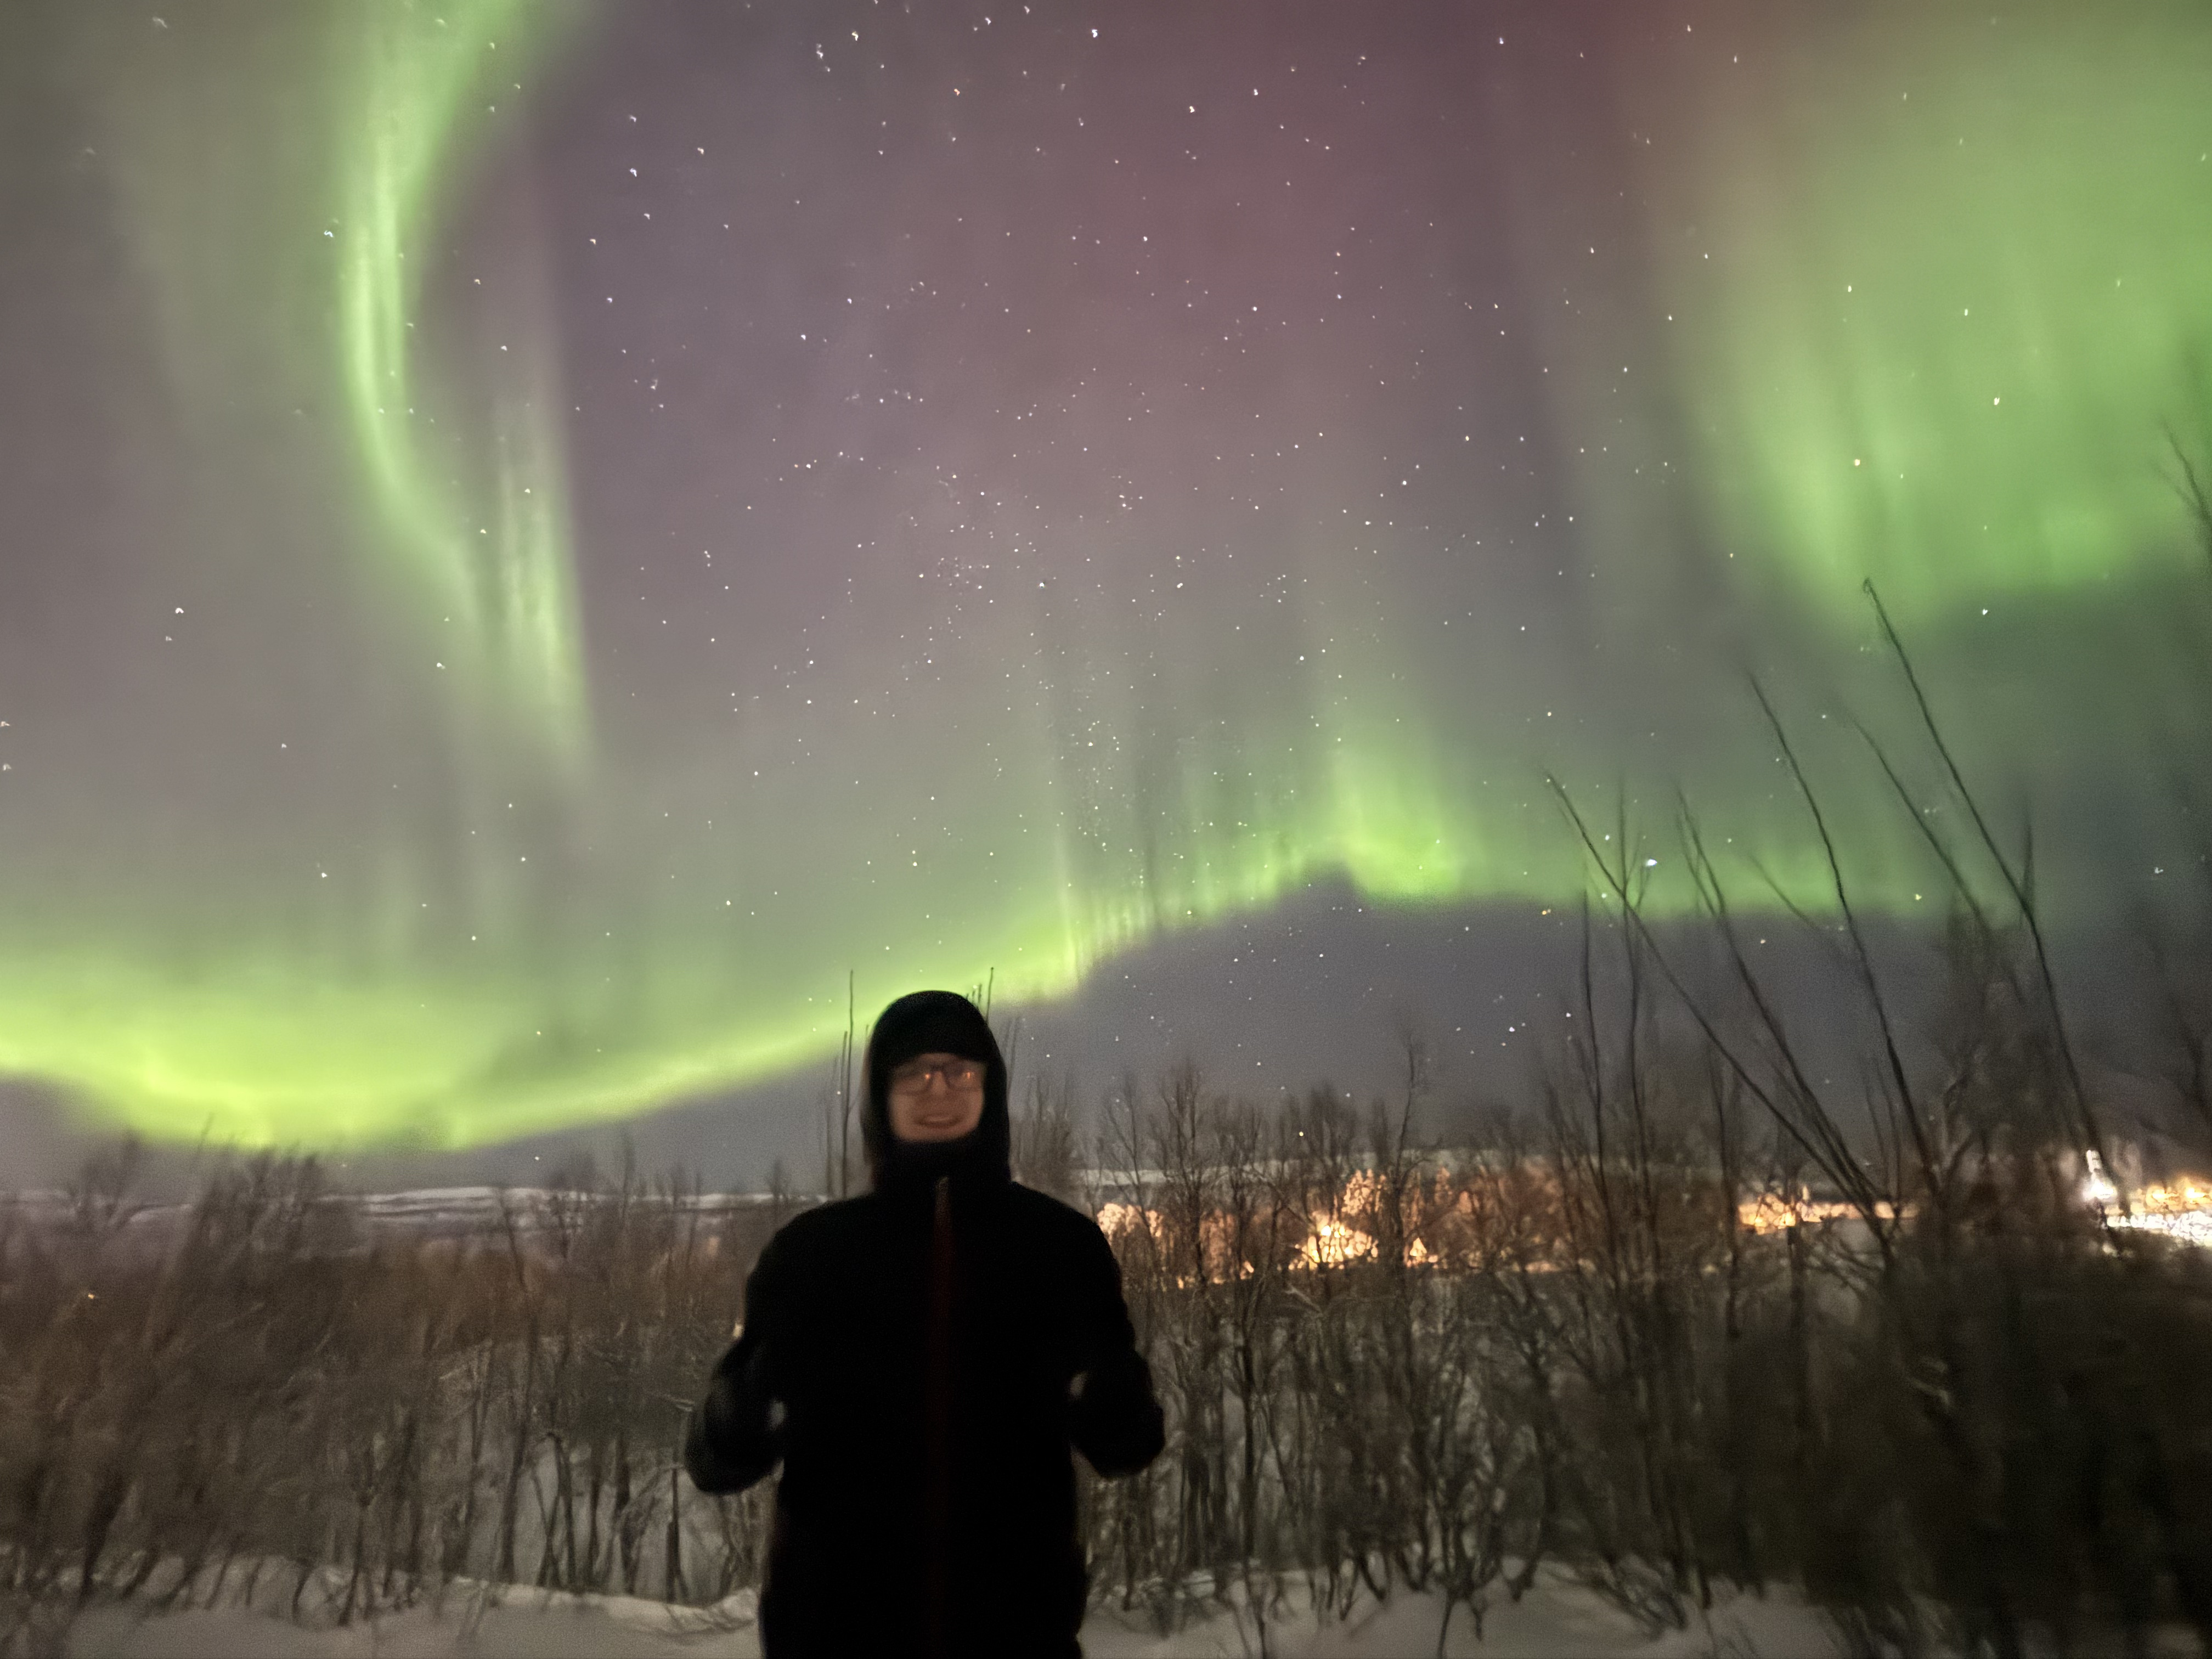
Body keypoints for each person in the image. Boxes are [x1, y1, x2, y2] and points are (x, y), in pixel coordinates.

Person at [685, 989, 1164, 1657]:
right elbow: (714, 1462)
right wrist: (741, 1410)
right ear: (879, 1098)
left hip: (1017, 1642)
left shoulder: (1062, 1249)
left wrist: (1115, 1399)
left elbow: (1127, 1449)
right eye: (912, 1073)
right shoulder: (809, 1255)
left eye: (958, 1070)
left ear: (990, 1089)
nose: (937, 1088)